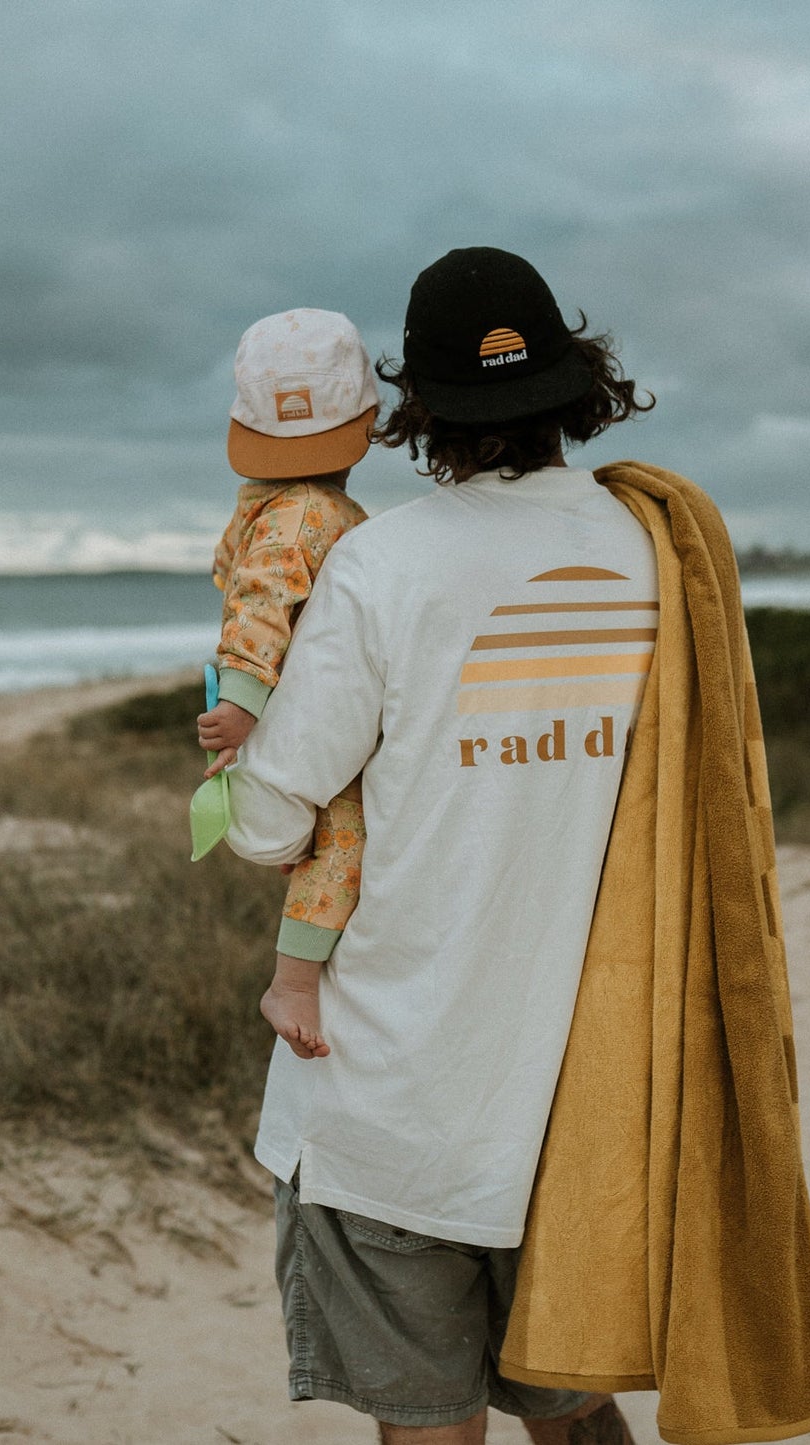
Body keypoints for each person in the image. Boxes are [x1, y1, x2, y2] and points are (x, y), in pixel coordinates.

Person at [224, 247, 654, 1442]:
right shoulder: (648, 554)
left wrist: (231, 736)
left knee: (427, 1422)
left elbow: (268, 824)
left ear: (414, 403)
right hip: (576, 1092)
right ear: (575, 381)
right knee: (575, 1403)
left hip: (395, 1100)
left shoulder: (380, 561)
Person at [198, 307, 376, 1060]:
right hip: (282, 706)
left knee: (312, 843)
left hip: (272, 700)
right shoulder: (309, 511)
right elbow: (261, 602)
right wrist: (241, 703)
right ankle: (293, 980)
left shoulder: (279, 504)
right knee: (343, 843)